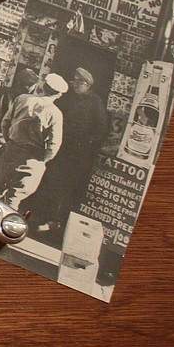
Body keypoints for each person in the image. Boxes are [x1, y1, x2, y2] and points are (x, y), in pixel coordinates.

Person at [30, 67, 110, 235]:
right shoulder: (68, 97)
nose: (75, 84)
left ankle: (55, 221)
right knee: (49, 179)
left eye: (80, 82)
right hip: (60, 146)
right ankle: (39, 215)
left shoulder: (95, 102)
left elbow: (102, 127)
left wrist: (86, 142)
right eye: (75, 79)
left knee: (64, 187)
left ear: (87, 85)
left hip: (77, 154)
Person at [0, 73, 69, 210]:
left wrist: (9, 141)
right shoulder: (55, 114)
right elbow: (54, 144)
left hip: (11, 151)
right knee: (14, 197)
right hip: (32, 158)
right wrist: (43, 159)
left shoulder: (23, 99)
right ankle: (0, 228)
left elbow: (5, 122)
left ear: (43, 86)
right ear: (58, 95)